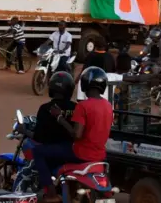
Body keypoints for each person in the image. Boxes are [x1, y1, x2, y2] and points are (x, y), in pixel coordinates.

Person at [34, 67, 113, 202]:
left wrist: (59, 118)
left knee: (38, 152)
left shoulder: (83, 106)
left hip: (81, 152)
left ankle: (51, 194)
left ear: (84, 84)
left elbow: (76, 135)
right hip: (100, 154)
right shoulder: (107, 105)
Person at [27, 72, 77, 145]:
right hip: (71, 151)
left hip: (48, 151)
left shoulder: (44, 108)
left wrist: (24, 130)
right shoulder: (76, 107)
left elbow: (38, 137)